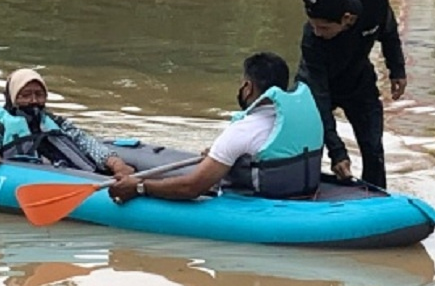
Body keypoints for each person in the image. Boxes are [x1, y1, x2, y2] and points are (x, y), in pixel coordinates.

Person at [108, 51, 324, 203]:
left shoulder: (243, 129)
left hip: (259, 203)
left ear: (247, 87)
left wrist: (139, 186)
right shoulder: (306, 116)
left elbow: (191, 188)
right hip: (302, 192)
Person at [296, 0, 407, 189]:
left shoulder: (375, 2)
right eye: (313, 25)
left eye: (324, 27)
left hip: (358, 82)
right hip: (316, 86)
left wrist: (397, 69)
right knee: (307, 145)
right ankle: (304, 191)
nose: (317, 32)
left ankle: (377, 197)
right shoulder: (312, 40)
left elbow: (389, 33)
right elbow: (319, 97)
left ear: (347, 18)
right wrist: (337, 153)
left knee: (373, 148)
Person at [0, 68, 138, 175]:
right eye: (25, 95)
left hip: (79, 174)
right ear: (13, 98)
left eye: (39, 94)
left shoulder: (55, 123)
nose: (33, 101)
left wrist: (116, 164)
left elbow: (87, 142)